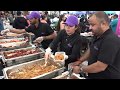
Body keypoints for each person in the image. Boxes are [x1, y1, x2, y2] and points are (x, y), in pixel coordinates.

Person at [72, 11, 120, 79]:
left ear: (103, 24)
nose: (90, 28)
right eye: (90, 25)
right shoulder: (97, 34)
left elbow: (100, 66)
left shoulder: (111, 40)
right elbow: (91, 49)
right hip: (94, 75)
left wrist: (81, 69)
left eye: (93, 25)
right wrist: (80, 61)